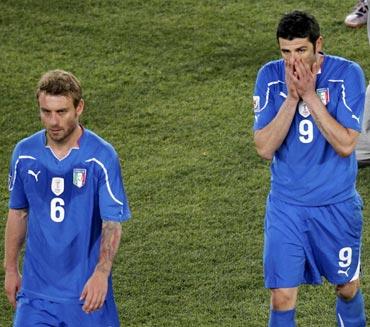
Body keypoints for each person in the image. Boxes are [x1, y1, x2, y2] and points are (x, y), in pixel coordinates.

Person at [253, 11, 366, 326]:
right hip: (287, 208)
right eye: (285, 52)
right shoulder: (270, 76)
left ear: (319, 45)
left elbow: (345, 144)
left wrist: (309, 96)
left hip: (336, 207)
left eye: (301, 50)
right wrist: (291, 99)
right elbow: (264, 147)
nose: (293, 62)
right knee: (281, 297)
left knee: (346, 287)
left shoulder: (347, 74)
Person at [4, 69, 131, 326]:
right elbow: (18, 212)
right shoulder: (25, 153)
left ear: (79, 107)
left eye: (61, 112)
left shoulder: (101, 157)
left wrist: (101, 273)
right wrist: (10, 268)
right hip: (35, 297)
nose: (53, 121)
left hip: (86, 295)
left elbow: (111, 224)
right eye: (46, 111)